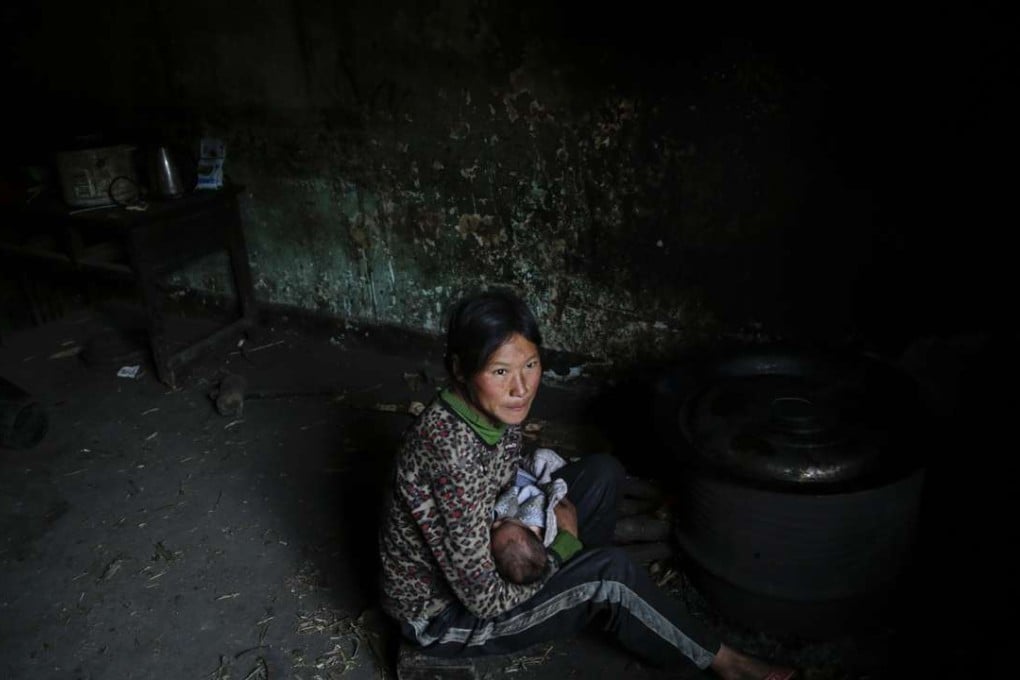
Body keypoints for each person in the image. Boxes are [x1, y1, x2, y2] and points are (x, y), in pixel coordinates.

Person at [377, 288, 797, 680]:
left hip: (494, 537)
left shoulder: (490, 410)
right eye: (500, 371)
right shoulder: (449, 455)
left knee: (600, 474)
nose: (521, 388)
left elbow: (504, 481)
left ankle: (588, 588)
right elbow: (484, 600)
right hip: (446, 616)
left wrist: (533, 516)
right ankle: (724, 660)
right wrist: (562, 548)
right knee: (610, 574)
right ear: (459, 369)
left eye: (531, 364)